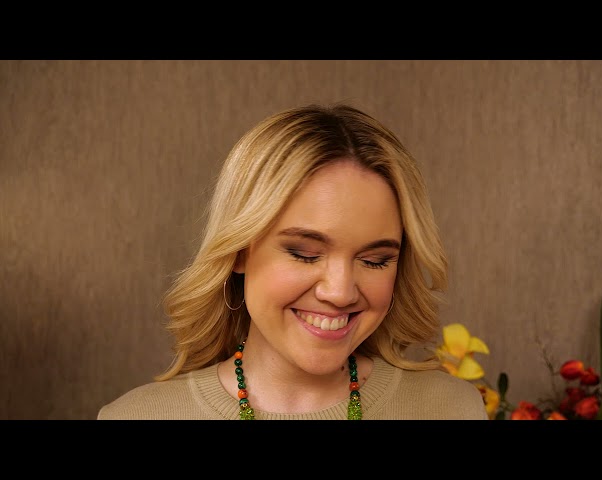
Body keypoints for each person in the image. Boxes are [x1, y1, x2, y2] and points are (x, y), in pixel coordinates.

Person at [98, 102, 488, 420]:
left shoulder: (452, 409)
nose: (340, 292)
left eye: (374, 260)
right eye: (304, 253)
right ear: (239, 251)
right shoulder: (134, 416)